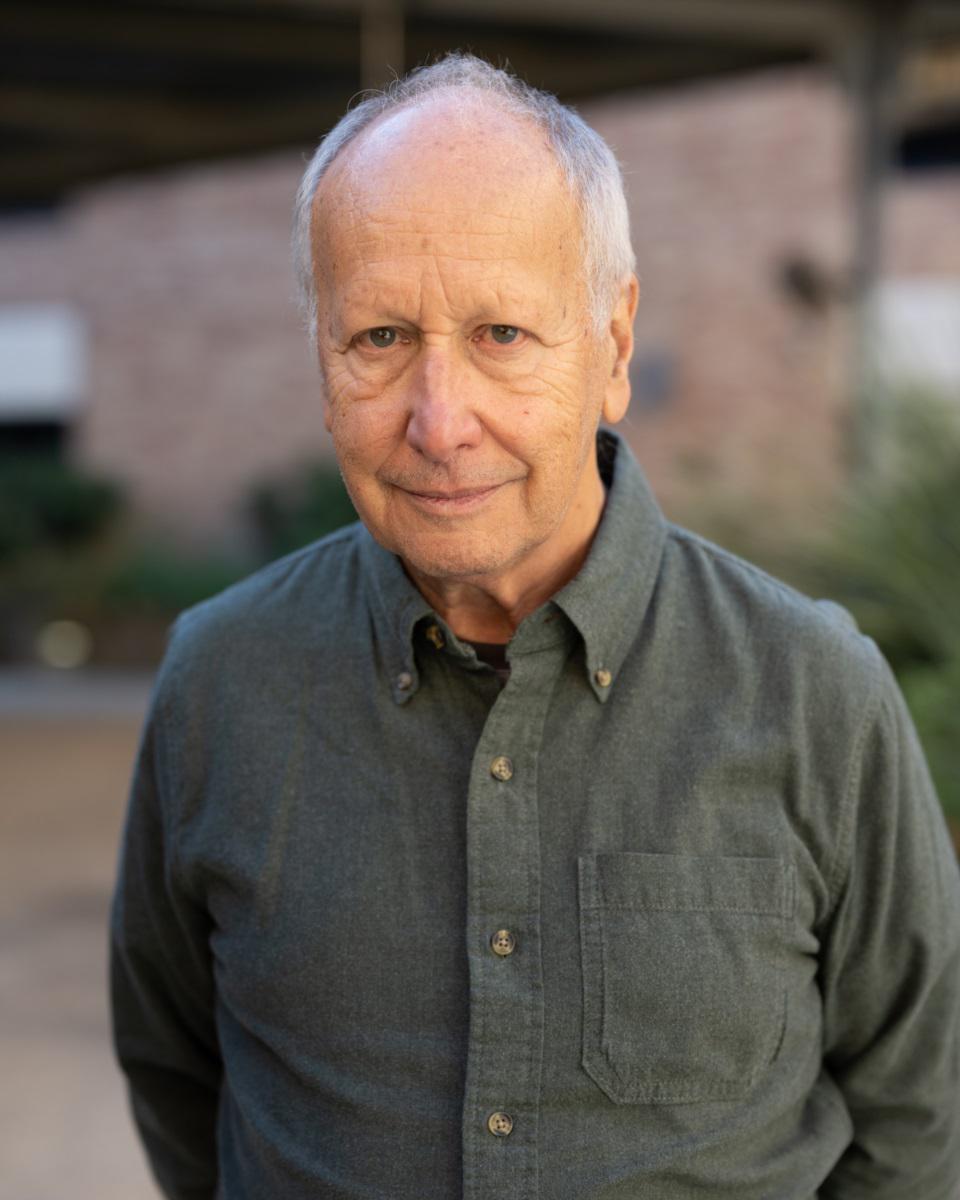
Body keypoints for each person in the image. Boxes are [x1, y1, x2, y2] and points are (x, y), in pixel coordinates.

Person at [110, 54, 960, 1200]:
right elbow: (178, 1073)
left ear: (615, 347)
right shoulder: (220, 682)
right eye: (380, 338)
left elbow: (919, 1117)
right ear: (320, 353)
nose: (440, 420)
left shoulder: (816, 693)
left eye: (502, 334)